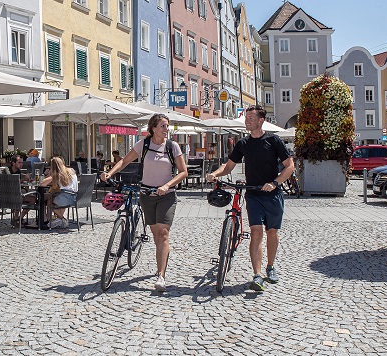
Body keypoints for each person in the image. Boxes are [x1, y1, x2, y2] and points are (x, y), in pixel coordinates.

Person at [206, 105, 295, 292]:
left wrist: (275, 183)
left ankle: (270, 267)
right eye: (246, 118)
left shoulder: (273, 140)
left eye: (251, 118)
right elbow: (229, 166)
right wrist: (215, 174)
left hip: (273, 195)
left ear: (261, 120)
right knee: (256, 232)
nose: (247, 121)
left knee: (272, 232)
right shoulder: (243, 144)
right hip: (253, 194)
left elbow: (289, 166)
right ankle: (257, 274)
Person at [101, 114, 187, 292]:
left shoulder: (172, 146)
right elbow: (124, 161)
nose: (166, 129)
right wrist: (110, 173)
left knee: (163, 233)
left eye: (167, 126)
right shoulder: (144, 145)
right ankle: (161, 260)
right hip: (146, 194)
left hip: (167, 195)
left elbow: (183, 172)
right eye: (163, 126)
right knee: (156, 234)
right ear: (153, 128)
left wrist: (167, 185)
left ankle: (161, 276)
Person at [40, 157, 78, 229]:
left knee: (49, 202)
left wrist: (52, 176)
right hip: (74, 197)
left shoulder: (59, 174)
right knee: (51, 196)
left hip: (66, 198)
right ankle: (57, 219)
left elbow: (42, 184)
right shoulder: (71, 170)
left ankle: (62, 218)